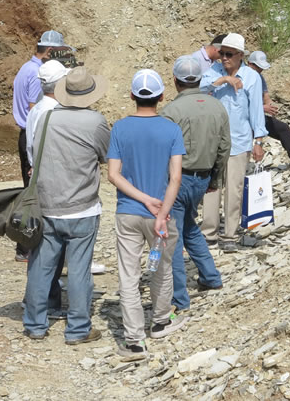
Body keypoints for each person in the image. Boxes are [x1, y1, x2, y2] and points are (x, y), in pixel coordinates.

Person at [22, 66, 110, 345]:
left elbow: (33, 154)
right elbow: (105, 154)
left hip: (47, 204)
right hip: (82, 206)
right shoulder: (96, 121)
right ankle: (78, 328)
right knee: (79, 269)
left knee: (41, 266)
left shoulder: (46, 117)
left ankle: (35, 324)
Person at [107, 69, 186, 361]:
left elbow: (113, 175)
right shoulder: (171, 129)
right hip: (160, 215)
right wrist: (162, 211)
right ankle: (161, 321)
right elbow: (175, 178)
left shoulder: (119, 128)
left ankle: (134, 341)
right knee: (162, 269)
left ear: (131, 96)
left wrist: (142, 199)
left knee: (129, 276)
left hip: (128, 211)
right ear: (162, 96)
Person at [160, 55, 230, 313]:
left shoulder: (170, 112)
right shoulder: (217, 107)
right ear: (200, 79)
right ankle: (211, 277)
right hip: (203, 179)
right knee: (189, 227)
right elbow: (224, 147)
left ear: (176, 81)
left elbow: (163, 153)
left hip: (178, 181)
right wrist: (215, 179)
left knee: (174, 238)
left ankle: (179, 297)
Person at [199, 33, 267, 252]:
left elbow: (256, 111)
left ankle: (229, 233)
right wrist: (223, 80)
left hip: (239, 141)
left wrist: (259, 140)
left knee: (234, 189)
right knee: (211, 188)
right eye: (222, 53)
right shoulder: (213, 72)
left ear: (240, 56)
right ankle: (208, 232)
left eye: (229, 54)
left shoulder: (252, 78)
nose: (224, 58)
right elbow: (199, 90)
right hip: (213, 141)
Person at [12, 30, 74, 261]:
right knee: (36, 196)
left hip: (28, 134)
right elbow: (33, 109)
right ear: (49, 51)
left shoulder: (25, 69)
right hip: (34, 135)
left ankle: (28, 245)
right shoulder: (38, 73)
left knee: (31, 194)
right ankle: (26, 246)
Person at [247, 50, 290, 166]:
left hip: (259, 116)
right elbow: (241, 104)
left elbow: (266, 96)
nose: (260, 70)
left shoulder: (259, 78)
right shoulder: (242, 79)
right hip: (244, 118)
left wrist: (271, 106)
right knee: (245, 141)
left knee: (282, 128)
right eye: (257, 67)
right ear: (249, 64)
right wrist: (262, 108)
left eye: (261, 68)